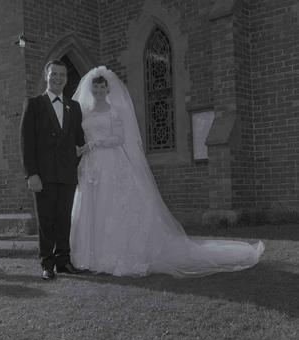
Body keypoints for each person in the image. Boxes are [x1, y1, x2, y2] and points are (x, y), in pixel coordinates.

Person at [70, 66, 264, 277]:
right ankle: (89, 255)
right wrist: (83, 148)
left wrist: (95, 143)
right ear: (91, 89)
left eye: (102, 87)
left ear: (108, 90)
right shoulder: (84, 111)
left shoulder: (114, 111)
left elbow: (119, 139)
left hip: (111, 164)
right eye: (95, 87)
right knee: (93, 206)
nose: (98, 91)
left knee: (111, 205)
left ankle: (112, 255)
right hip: (90, 165)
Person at [20, 59, 86, 280]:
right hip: (43, 175)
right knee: (46, 220)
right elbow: (26, 142)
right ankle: (47, 263)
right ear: (46, 76)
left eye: (62, 75)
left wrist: (73, 164)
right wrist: (32, 173)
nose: (58, 78)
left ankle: (64, 261)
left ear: (67, 79)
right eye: (54, 74)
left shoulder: (74, 107)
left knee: (64, 219)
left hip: (67, 174)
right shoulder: (35, 104)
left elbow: (78, 140)